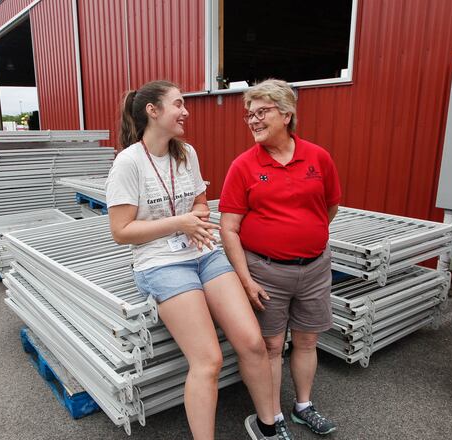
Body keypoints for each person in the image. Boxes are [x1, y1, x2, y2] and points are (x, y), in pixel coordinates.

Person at [105, 80, 278, 440]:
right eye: (178, 104)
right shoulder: (128, 162)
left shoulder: (187, 153)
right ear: (153, 111)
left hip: (202, 252)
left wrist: (194, 219)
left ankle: (268, 428)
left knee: (252, 343)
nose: (186, 111)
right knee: (209, 360)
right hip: (159, 263)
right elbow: (120, 231)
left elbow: (200, 203)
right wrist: (179, 223)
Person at [219, 79, 341, 439]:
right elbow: (229, 228)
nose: (253, 120)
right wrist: (246, 279)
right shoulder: (243, 166)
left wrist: (306, 237)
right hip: (265, 272)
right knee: (271, 346)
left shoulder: (318, 157)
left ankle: (303, 406)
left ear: (287, 114)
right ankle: (271, 416)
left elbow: (330, 206)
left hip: (315, 267)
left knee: (306, 340)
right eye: (249, 115)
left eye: (262, 112)